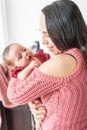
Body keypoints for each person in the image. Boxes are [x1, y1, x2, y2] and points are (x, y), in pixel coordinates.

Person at [7, 0, 87, 130]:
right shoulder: (82, 55)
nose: (43, 41)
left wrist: (17, 71)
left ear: (64, 29)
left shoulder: (63, 61)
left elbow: (14, 95)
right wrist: (33, 103)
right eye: (41, 33)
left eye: (47, 34)